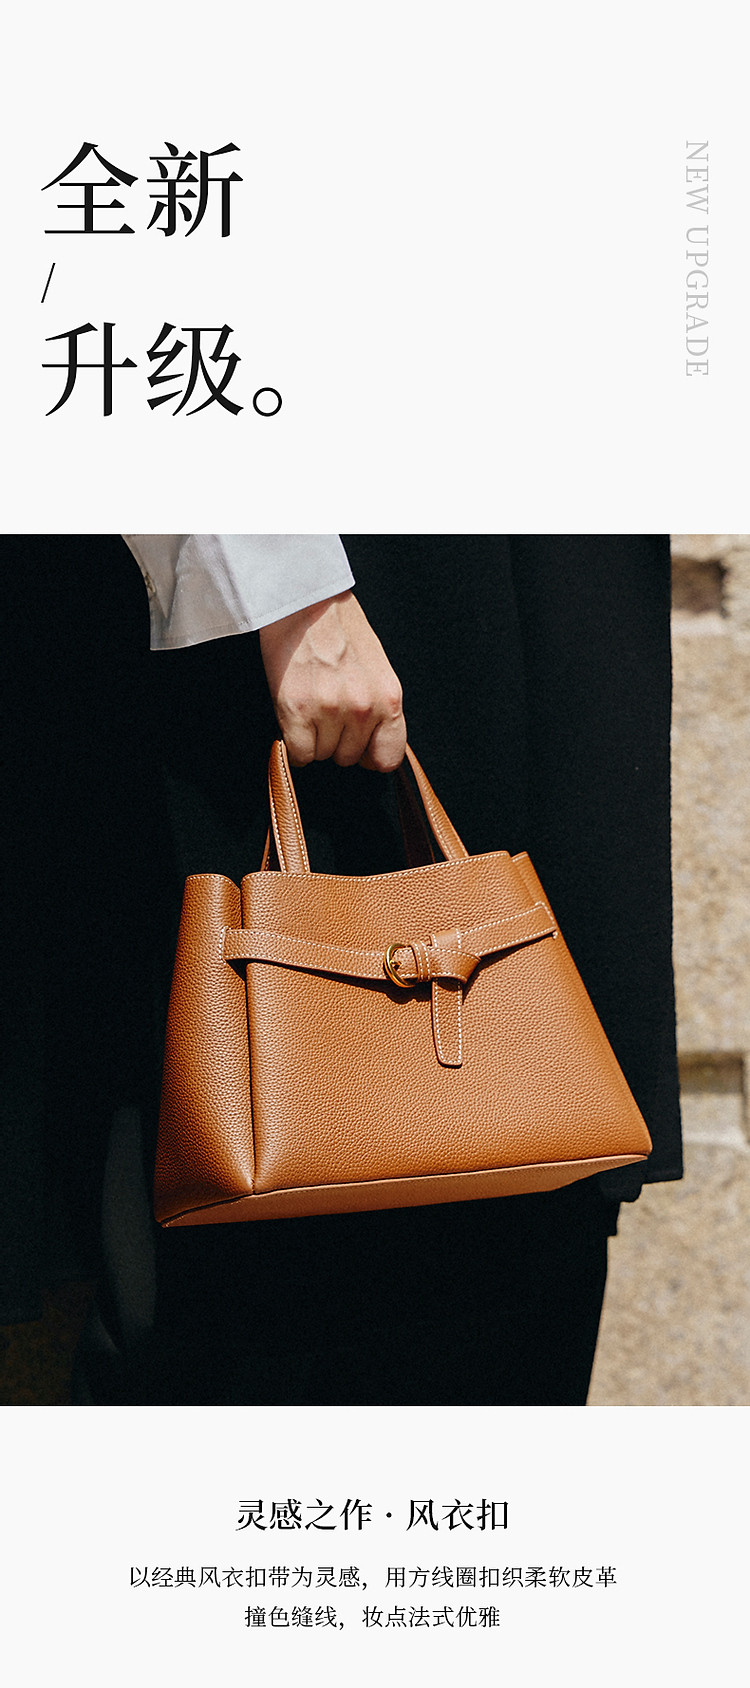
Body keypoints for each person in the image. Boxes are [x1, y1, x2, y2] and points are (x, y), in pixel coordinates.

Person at [1, 537, 682, 1405]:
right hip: (355, 587)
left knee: (535, 1183)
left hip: (538, 582)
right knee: (284, 1262)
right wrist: (289, 591)